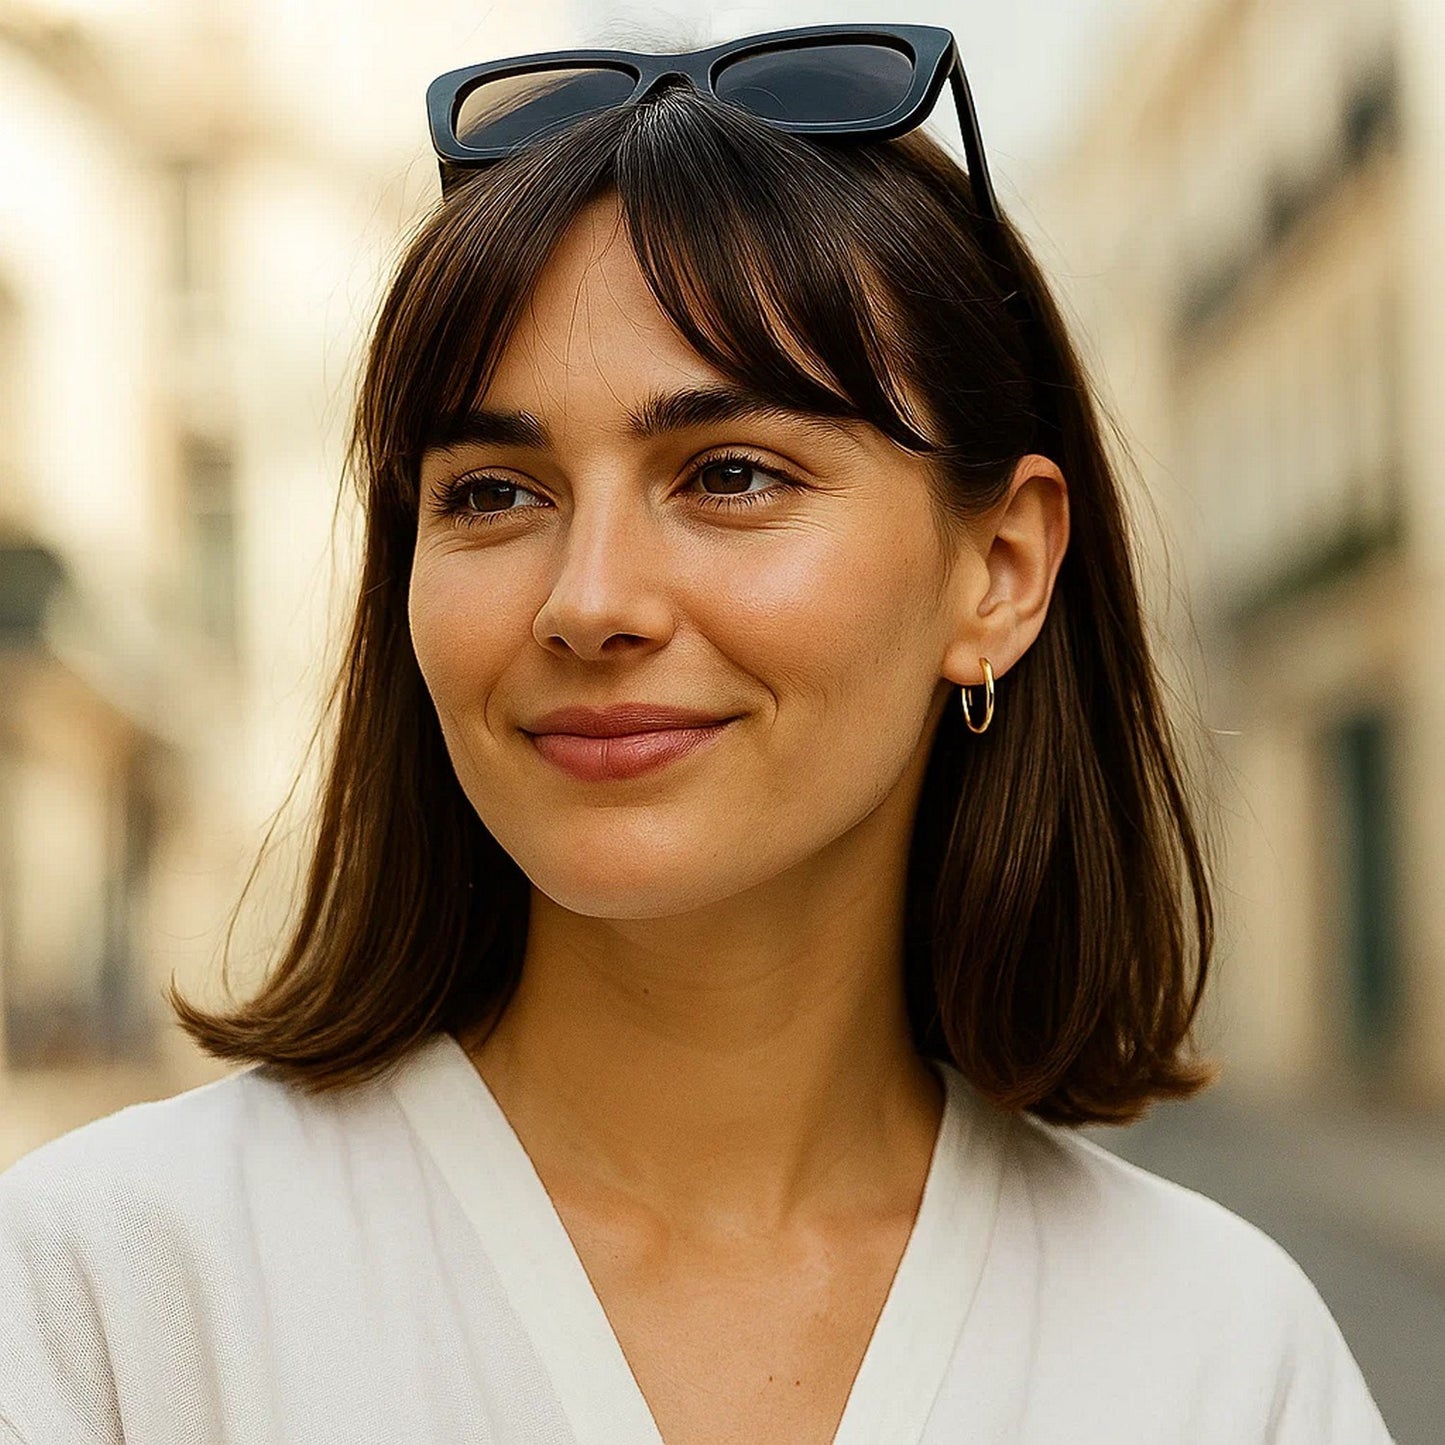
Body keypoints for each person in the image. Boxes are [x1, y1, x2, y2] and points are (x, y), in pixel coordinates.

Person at [0, 24, 1395, 1445]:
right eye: (491, 492)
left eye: (728, 473)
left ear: (999, 571)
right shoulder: (112, 1296)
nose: (588, 600)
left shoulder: (1216, 1353)